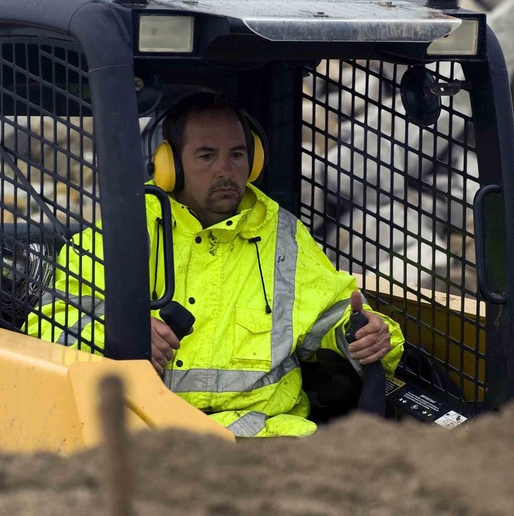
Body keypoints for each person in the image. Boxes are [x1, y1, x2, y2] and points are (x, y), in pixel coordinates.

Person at [27, 92, 405, 438]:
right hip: (150, 434)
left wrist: (368, 335)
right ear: (169, 165)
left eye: (237, 155)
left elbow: (334, 317)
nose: (225, 169)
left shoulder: (284, 236)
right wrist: (121, 335)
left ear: (254, 161)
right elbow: (47, 327)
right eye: (207, 156)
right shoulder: (122, 233)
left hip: (269, 441)